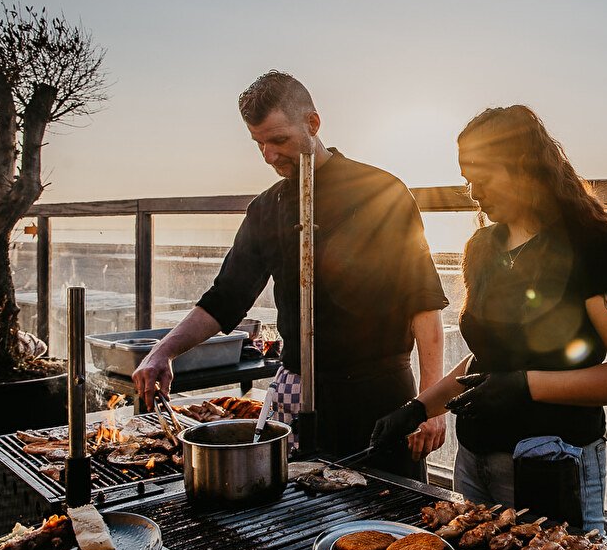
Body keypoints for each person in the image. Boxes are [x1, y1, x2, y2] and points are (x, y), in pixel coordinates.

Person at [132, 71, 448, 479]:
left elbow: (422, 301)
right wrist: (164, 351)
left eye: (278, 140)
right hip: (297, 392)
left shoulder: (382, 192)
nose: (268, 154)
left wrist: (430, 403)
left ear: (312, 124)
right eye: (258, 143)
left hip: (380, 393)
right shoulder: (267, 208)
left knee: (387, 523)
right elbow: (226, 297)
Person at [371, 105, 607, 530]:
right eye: (467, 181)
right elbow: (487, 363)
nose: (473, 193)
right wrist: (418, 409)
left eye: (482, 177)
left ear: (523, 166)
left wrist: (525, 387)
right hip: (473, 461)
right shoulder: (482, 247)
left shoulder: (593, 245)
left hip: (552, 462)